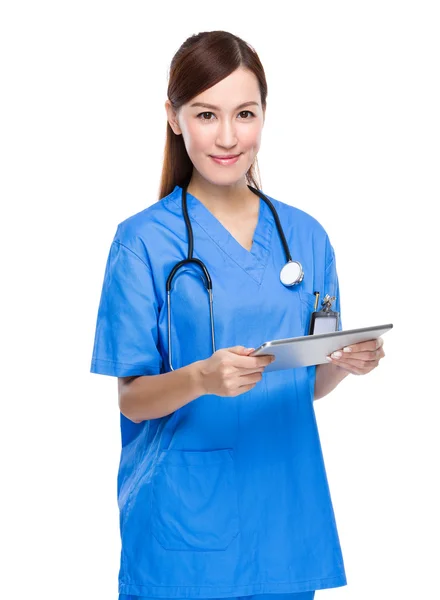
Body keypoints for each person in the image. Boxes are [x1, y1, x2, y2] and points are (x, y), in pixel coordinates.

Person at [90, 30, 386, 600]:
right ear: (175, 118)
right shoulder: (142, 242)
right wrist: (202, 377)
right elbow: (131, 397)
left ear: (263, 117)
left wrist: (345, 362)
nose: (228, 137)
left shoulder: (305, 237)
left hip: (285, 518)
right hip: (183, 524)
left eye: (244, 114)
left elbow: (308, 382)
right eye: (206, 114)